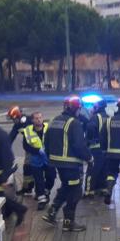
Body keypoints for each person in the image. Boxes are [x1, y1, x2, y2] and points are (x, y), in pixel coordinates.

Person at [42, 95, 93, 232]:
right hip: (70, 164)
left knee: (66, 187)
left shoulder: (53, 120)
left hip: (57, 163)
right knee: (76, 191)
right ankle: (68, 222)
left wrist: (51, 159)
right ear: (76, 109)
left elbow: (46, 142)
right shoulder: (74, 123)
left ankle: (52, 212)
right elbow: (79, 146)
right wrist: (89, 158)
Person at [21, 112, 54, 210]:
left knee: (51, 177)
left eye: (40, 117)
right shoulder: (27, 131)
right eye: (36, 118)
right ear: (32, 120)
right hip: (35, 158)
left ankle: (46, 191)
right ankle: (41, 199)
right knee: (38, 180)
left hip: (48, 157)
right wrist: (37, 150)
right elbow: (25, 146)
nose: (39, 119)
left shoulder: (48, 127)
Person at [84, 98, 109, 197]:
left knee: (92, 170)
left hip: (96, 149)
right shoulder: (108, 117)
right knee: (104, 170)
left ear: (98, 107)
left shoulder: (95, 117)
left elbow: (90, 129)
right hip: (106, 150)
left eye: (93, 106)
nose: (91, 108)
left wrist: (88, 141)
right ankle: (102, 188)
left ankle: (89, 191)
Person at [7, 106, 34, 195]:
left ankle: (36, 189)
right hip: (29, 149)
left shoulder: (30, 120)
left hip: (37, 148)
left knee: (32, 169)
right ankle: (28, 188)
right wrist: (5, 146)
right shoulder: (18, 124)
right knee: (27, 169)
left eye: (13, 119)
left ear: (17, 116)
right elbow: (11, 137)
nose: (13, 121)